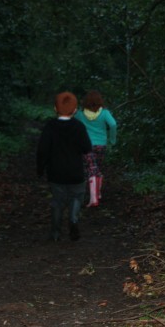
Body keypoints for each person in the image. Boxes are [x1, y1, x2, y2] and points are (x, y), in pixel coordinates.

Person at [36, 92, 92, 241]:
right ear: (75, 110)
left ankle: (55, 233)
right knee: (76, 197)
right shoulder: (79, 127)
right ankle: (73, 219)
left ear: (55, 108)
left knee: (57, 201)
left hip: (56, 172)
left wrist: (40, 168)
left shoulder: (50, 127)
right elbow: (87, 148)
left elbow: (42, 150)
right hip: (76, 172)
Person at [75, 90, 117, 207]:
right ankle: (97, 194)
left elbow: (73, 125)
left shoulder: (80, 114)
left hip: (86, 145)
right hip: (101, 145)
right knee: (97, 168)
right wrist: (112, 140)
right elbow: (113, 124)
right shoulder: (105, 113)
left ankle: (93, 198)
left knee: (91, 169)